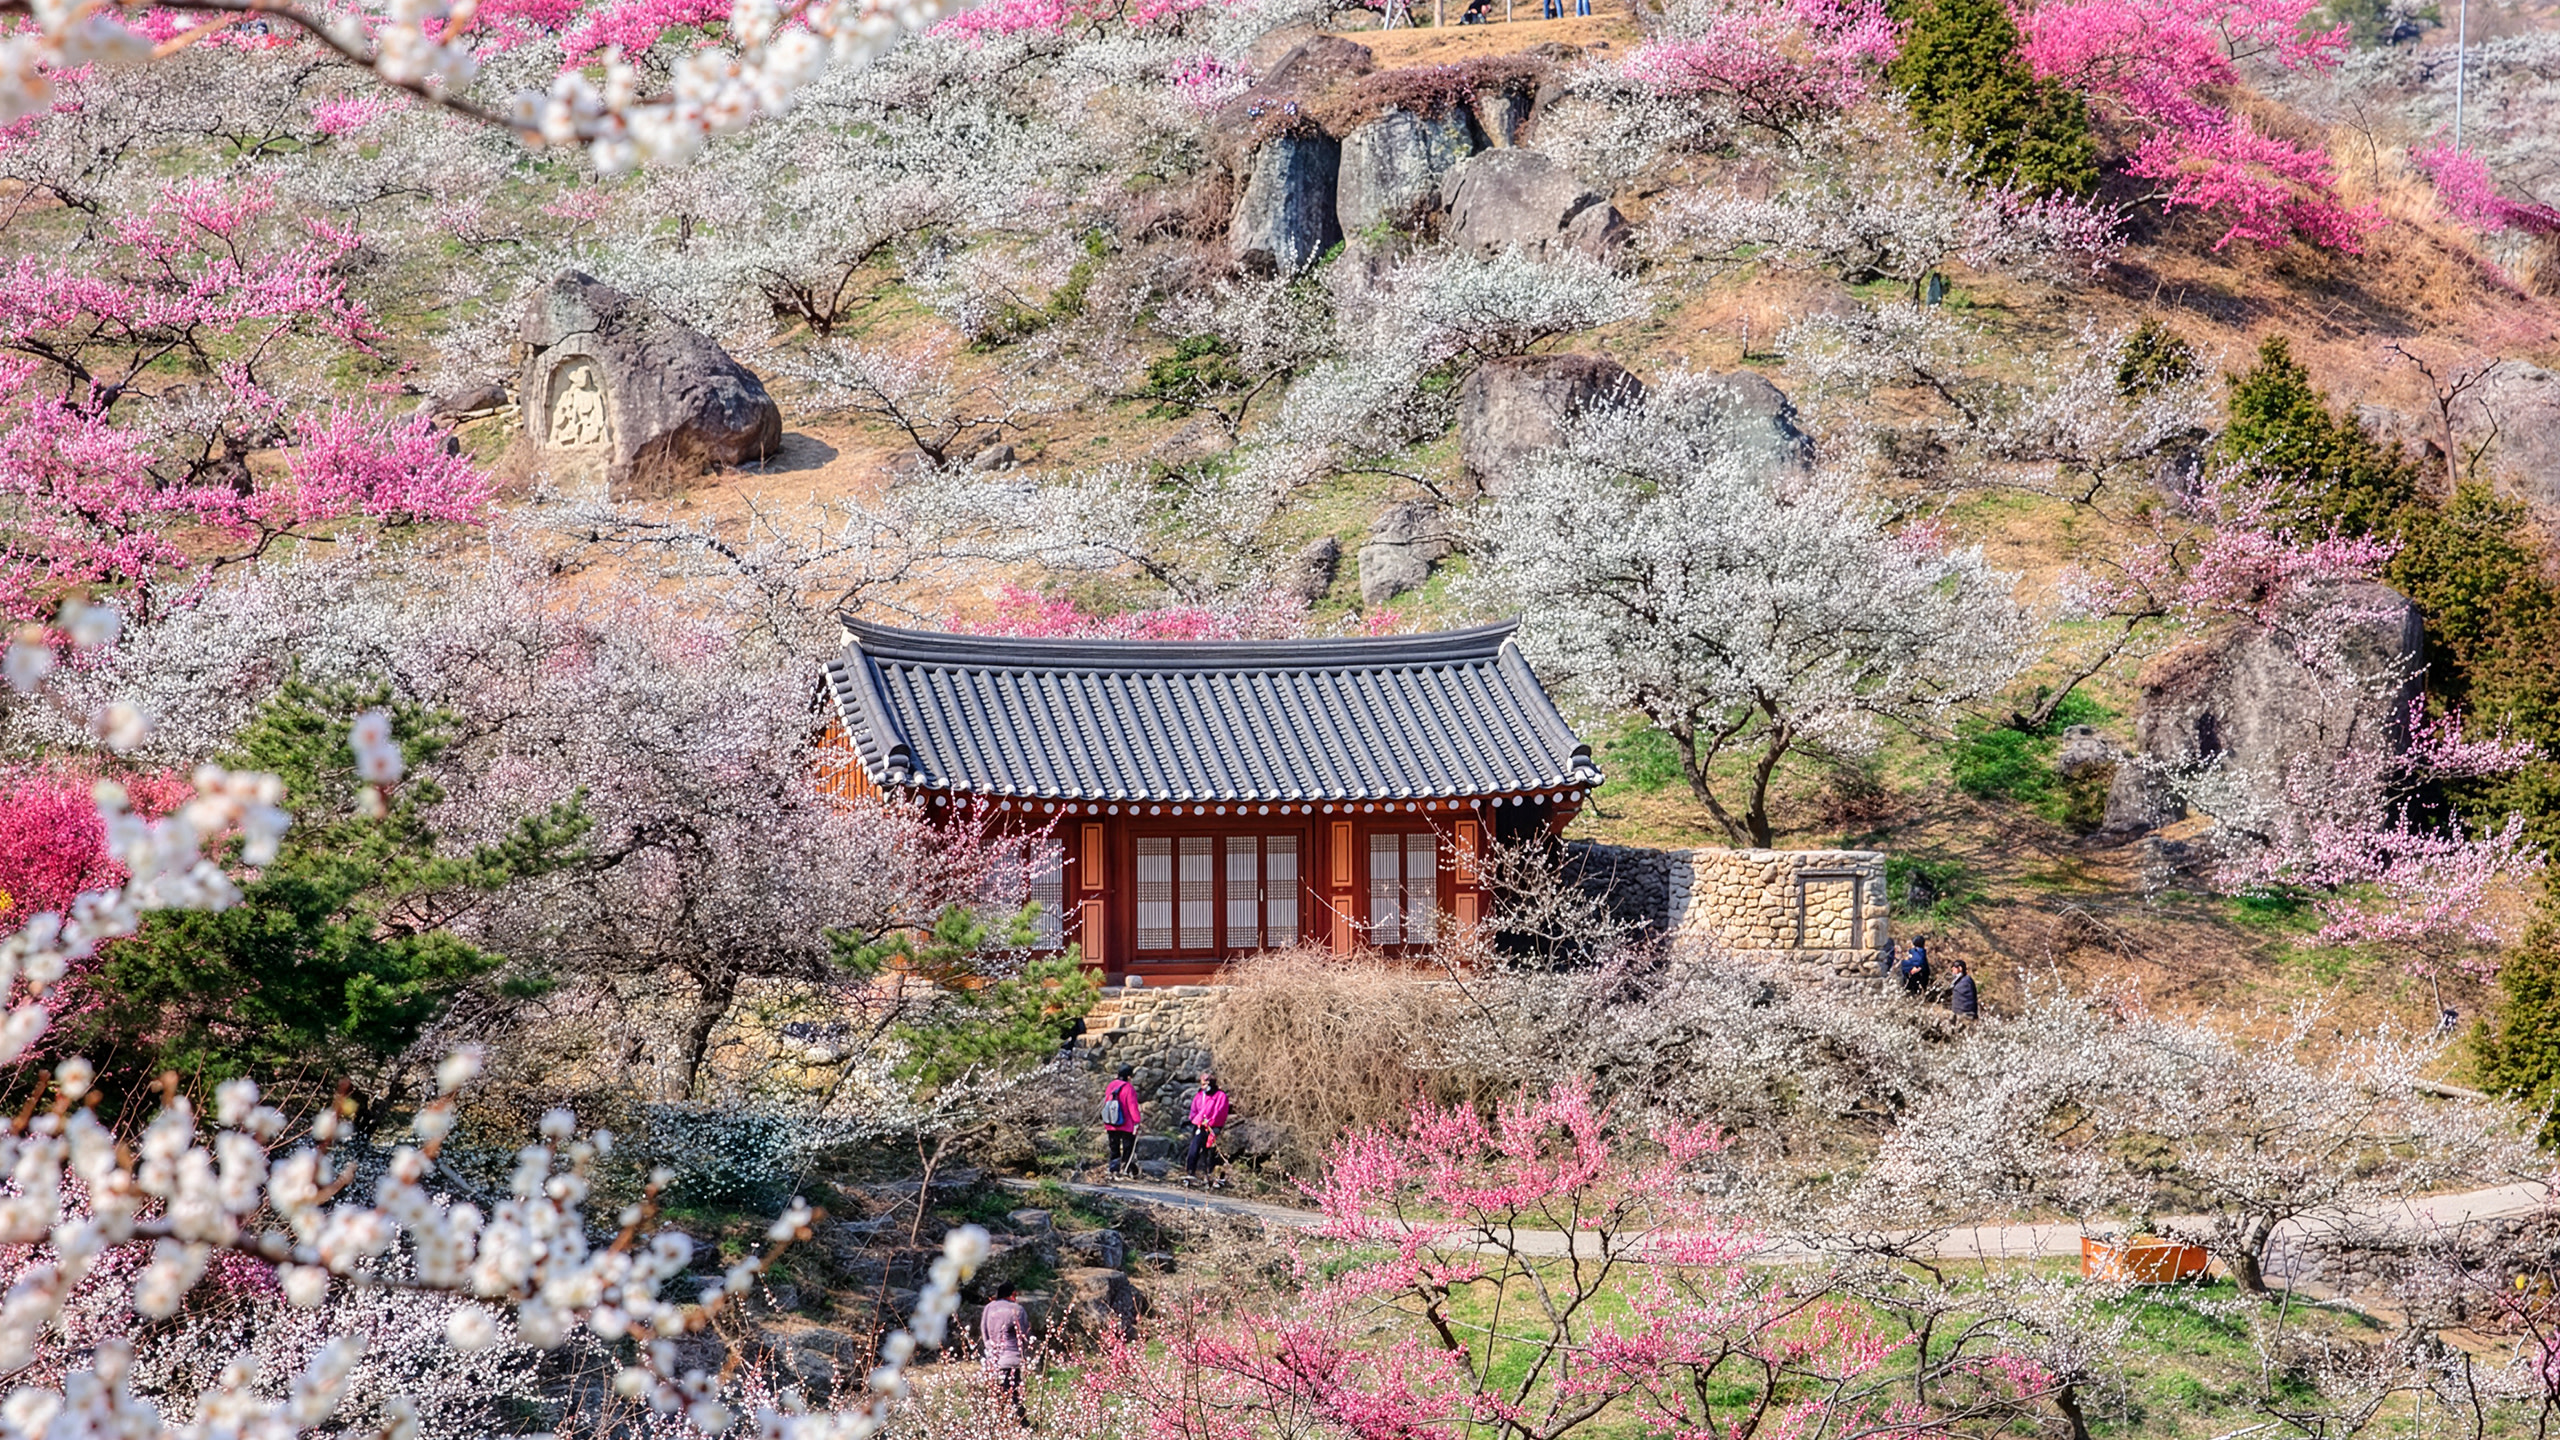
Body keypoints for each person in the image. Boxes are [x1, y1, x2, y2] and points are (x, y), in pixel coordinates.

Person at [981, 1280, 1031, 1428]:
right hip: (1012, 1359)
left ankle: (996, 1423)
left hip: (994, 1358)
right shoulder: (1018, 1310)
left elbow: (985, 1333)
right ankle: (1022, 1423)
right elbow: (1024, 1336)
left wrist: (991, 1351)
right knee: (1013, 1392)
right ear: (1013, 1294)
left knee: (996, 1392)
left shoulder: (989, 1308)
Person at [1183, 1072, 1230, 1188]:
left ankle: (1209, 1174)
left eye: (1205, 1084)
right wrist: (1195, 1120)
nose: (1203, 1086)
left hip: (1213, 1127)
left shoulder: (1220, 1096)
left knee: (1209, 1152)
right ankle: (1191, 1172)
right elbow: (1194, 1109)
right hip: (1199, 1125)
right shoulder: (1199, 1095)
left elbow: (1220, 1112)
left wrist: (1211, 1123)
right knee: (1194, 1148)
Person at [1102, 1066, 1141, 1179]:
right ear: (1129, 1076)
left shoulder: (1111, 1086)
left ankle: (1114, 1170)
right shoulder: (1129, 1088)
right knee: (1127, 1147)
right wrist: (1137, 1121)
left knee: (1114, 1147)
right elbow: (1132, 1107)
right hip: (1126, 1124)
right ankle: (1126, 1168)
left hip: (1110, 1122)